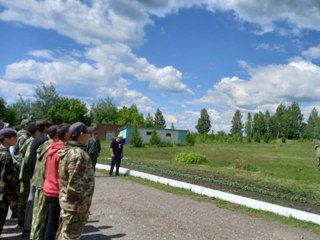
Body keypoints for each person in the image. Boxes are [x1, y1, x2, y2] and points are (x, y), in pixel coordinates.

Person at [56, 122, 95, 240]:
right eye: (88, 134)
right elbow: (75, 183)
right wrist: (79, 202)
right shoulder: (79, 154)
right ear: (81, 135)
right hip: (75, 207)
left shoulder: (67, 150)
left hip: (67, 202)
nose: (90, 136)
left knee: (63, 234)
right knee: (70, 237)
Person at [23, 118, 51, 236]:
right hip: (38, 177)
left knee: (32, 200)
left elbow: (29, 160)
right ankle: (30, 227)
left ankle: (28, 226)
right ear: (45, 128)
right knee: (35, 202)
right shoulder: (43, 140)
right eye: (48, 126)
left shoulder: (36, 140)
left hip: (34, 175)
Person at [31, 125, 58, 240]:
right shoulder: (52, 147)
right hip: (44, 185)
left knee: (38, 215)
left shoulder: (44, 145)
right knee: (42, 217)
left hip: (38, 182)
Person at [43, 123, 70, 240]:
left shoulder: (52, 148)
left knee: (49, 221)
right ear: (66, 135)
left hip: (48, 189)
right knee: (54, 224)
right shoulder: (62, 151)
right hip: (55, 191)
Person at [17, 122, 38, 228]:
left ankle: (22, 220)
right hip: (26, 174)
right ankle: (22, 221)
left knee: (25, 197)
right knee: (25, 198)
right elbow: (26, 160)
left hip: (25, 173)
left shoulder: (29, 141)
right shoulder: (31, 141)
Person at [0, 128, 19, 235]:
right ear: (6, 139)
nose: (16, 139)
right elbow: (6, 179)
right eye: (14, 137)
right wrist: (12, 197)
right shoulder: (6, 156)